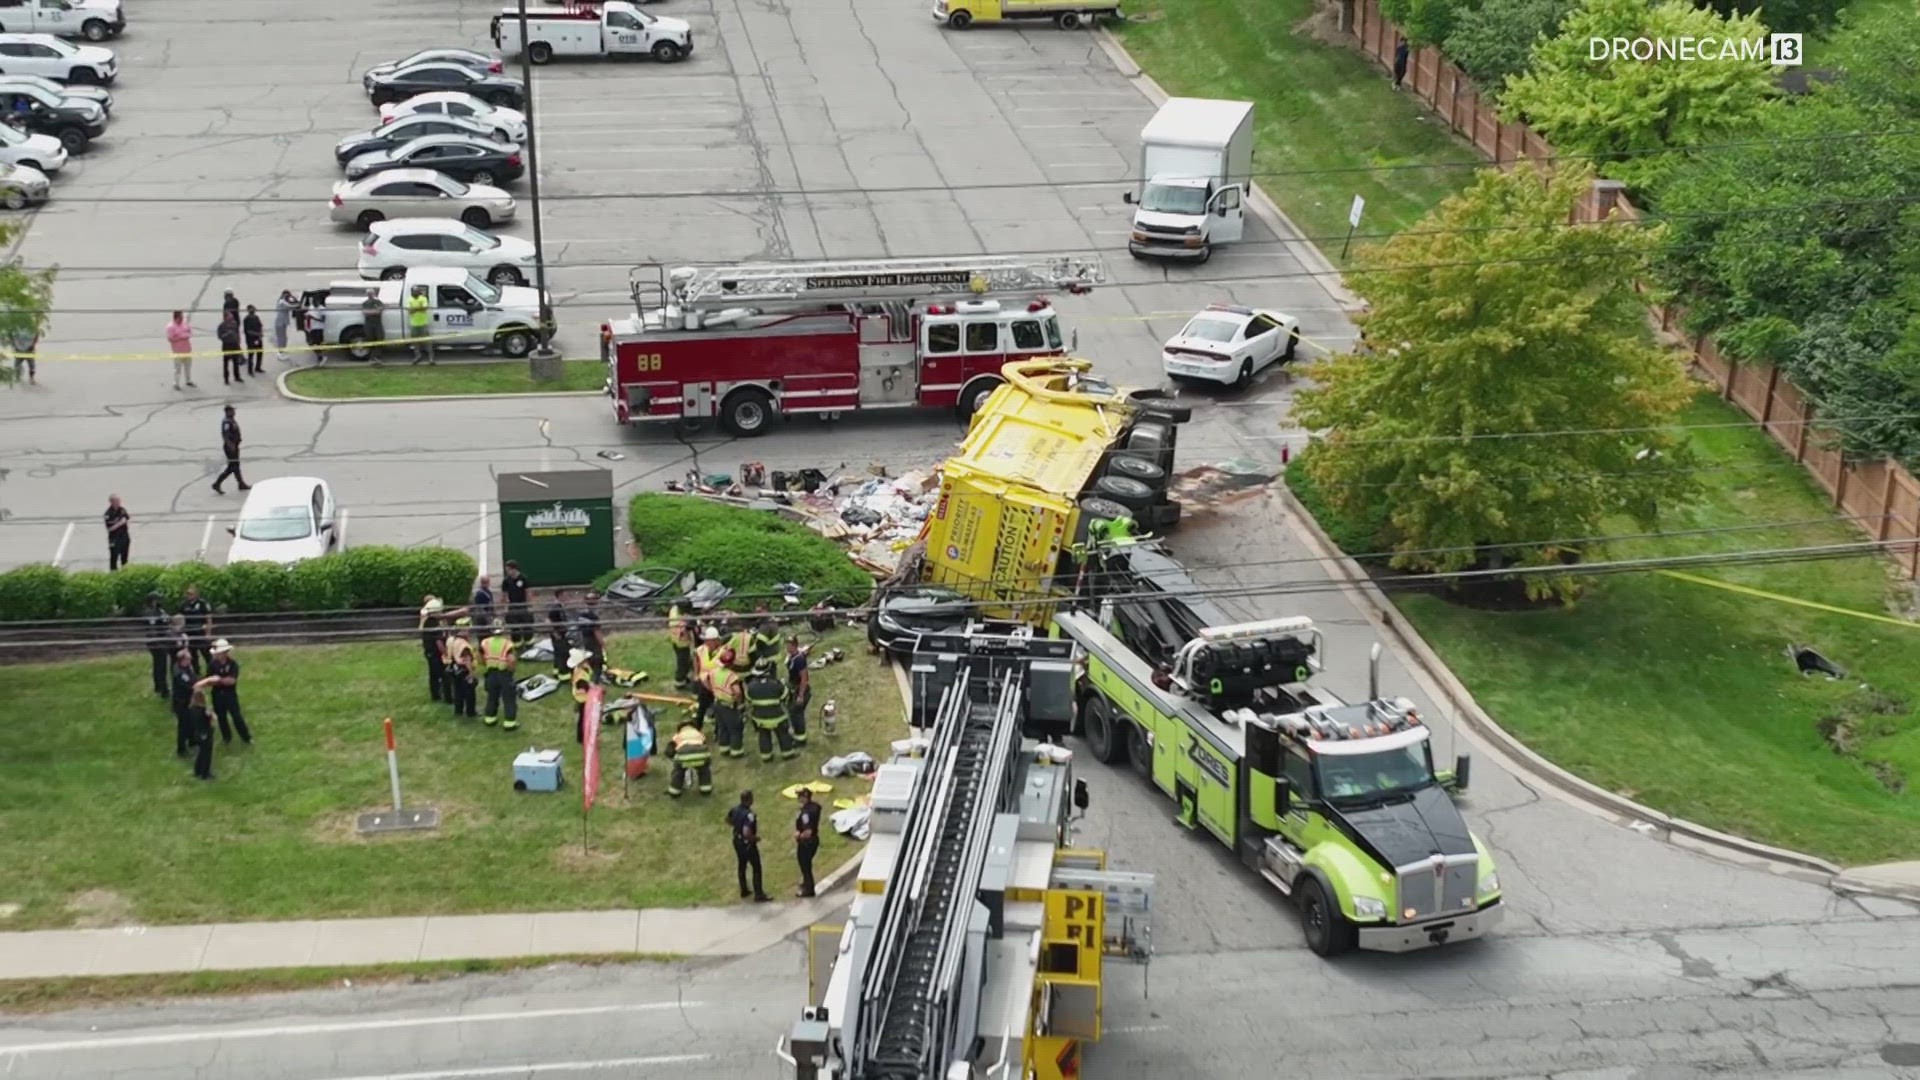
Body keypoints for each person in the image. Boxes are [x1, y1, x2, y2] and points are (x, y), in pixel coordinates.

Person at [745, 658, 797, 763]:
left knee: (764, 736)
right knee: (783, 735)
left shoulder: (750, 686)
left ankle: (766, 757)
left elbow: (749, 700)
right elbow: (785, 697)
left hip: (760, 719)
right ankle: (788, 754)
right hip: (778, 717)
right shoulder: (777, 684)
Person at [727, 790, 771, 902]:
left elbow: (728, 820)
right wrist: (754, 839)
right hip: (747, 844)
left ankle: (744, 890)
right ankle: (759, 894)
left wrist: (737, 826)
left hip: (737, 840)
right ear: (750, 799)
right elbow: (747, 832)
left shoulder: (735, 809)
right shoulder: (749, 814)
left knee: (742, 865)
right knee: (756, 867)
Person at [206, 638, 252, 745]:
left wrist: (218, 680)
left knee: (236, 715)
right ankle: (226, 737)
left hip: (230, 694)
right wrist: (220, 681)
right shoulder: (212, 664)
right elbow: (209, 680)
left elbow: (231, 681)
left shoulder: (233, 664)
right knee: (221, 717)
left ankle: (246, 737)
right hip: (217, 695)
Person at [479, 619, 519, 730]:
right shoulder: (507, 644)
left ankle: (490, 718)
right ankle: (509, 723)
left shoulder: (485, 642)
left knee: (492, 696)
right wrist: (511, 671)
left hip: (491, 673)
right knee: (509, 698)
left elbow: (481, 657)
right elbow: (511, 660)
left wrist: (486, 664)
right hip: (504, 674)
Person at [708, 655, 747, 759]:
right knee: (735, 728)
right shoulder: (731, 676)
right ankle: (736, 752)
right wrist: (739, 704)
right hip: (728, 705)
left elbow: (708, 683)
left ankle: (724, 749)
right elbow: (738, 692)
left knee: (722, 727)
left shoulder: (713, 672)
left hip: (717, 703)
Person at [666, 719, 713, 798]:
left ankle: (674, 792)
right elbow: (705, 745)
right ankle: (706, 790)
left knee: (678, 772)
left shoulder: (678, 735)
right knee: (704, 770)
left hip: (683, 757)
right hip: (702, 756)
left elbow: (668, 751)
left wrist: (674, 758)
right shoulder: (699, 734)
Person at [212, 405, 249, 494]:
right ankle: (217, 483)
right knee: (232, 467)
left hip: (234, 446)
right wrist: (231, 446)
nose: (234, 412)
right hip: (230, 447)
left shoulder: (231, 420)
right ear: (228, 412)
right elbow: (226, 435)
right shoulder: (227, 422)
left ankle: (241, 484)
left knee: (236, 465)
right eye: (232, 411)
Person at [185, 677, 217, 781]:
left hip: (197, 733)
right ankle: (205, 774)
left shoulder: (192, 708)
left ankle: (197, 770)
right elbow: (212, 719)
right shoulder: (203, 710)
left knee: (201, 752)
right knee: (206, 754)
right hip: (205, 733)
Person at [445, 617, 478, 718]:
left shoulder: (452, 640)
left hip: (455, 669)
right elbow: (467, 660)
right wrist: (471, 674)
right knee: (469, 693)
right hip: (464, 670)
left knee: (458, 691)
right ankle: (470, 712)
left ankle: (458, 710)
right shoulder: (464, 645)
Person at [418, 596, 449, 702]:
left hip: (429, 651)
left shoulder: (427, 622)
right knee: (442, 674)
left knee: (433, 675)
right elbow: (439, 641)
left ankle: (435, 695)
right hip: (435, 653)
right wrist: (446, 653)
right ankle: (443, 694)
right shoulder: (435, 624)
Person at [691, 626, 724, 726]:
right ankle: (697, 727)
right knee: (702, 707)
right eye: (707, 641)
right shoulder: (701, 650)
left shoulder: (723, 651)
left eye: (710, 641)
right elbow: (696, 661)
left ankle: (718, 730)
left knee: (719, 708)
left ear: (716, 640)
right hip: (704, 683)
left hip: (718, 683)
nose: (708, 643)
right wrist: (696, 674)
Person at [793, 787, 822, 897]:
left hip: (807, 842)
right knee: (806, 864)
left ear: (805, 797)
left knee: (805, 865)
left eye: (800, 796)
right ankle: (807, 883)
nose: (798, 798)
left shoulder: (806, 812)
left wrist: (799, 836)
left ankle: (809, 889)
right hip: (813, 840)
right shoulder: (814, 807)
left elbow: (808, 831)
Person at [141, 591, 170, 697]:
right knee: (160, 665)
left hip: (161, 639)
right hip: (155, 641)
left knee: (159, 664)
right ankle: (163, 689)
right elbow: (151, 627)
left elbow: (167, 620)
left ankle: (159, 686)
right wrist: (157, 641)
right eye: (157, 600)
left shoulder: (159, 611)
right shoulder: (148, 612)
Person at [170, 648, 198, 756]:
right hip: (180, 702)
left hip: (188, 700)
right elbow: (189, 684)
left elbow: (194, 678)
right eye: (188, 659)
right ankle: (181, 748)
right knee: (183, 725)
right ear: (182, 660)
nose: (190, 661)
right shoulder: (179, 672)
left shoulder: (187, 668)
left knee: (191, 721)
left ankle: (192, 741)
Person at [784, 634, 812, 746]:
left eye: (788, 645)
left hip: (800, 690)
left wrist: (801, 695)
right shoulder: (793, 655)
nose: (786, 648)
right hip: (793, 687)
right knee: (792, 712)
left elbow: (804, 678)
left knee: (796, 713)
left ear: (794, 645)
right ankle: (797, 734)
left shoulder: (799, 660)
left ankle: (801, 739)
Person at [179, 584, 213, 671]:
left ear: (196, 594)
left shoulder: (203, 604)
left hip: (201, 632)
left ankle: (211, 671)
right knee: (193, 655)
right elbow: (180, 618)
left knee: (207, 654)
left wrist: (208, 633)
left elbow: (208, 618)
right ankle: (196, 672)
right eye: (188, 593)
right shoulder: (184, 604)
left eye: (191, 593)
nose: (189, 595)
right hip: (189, 633)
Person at [575, 592, 606, 682]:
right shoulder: (593, 616)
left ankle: (590, 675)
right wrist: (602, 644)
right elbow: (596, 631)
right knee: (597, 658)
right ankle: (595, 679)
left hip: (584, 638)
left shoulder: (581, 614)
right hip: (592, 639)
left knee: (589, 657)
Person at [568, 646, 596, 743]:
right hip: (583, 700)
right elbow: (583, 688)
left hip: (584, 699)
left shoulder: (582, 668)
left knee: (584, 718)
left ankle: (583, 736)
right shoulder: (580, 676)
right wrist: (591, 688)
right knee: (583, 719)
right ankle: (582, 738)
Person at [501, 561, 532, 646]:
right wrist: (505, 607)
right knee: (514, 625)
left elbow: (528, 592)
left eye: (509, 570)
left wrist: (529, 604)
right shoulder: (506, 581)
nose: (507, 572)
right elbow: (504, 595)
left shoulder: (523, 578)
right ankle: (516, 643)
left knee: (526, 623)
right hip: (512, 606)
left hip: (523, 605)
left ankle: (528, 641)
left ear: (514, 569)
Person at [546, 589, 574, 678]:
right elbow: (548, 621)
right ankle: (564, 675)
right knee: (563, 654)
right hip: (558, 635)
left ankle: (556, 671)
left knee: (558, 654)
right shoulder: (556, 608)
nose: (567, 598)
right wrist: (555, 634)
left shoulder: (559, 607)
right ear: (560, 596)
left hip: (559, 634)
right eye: (565, 596)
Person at [167, 311, 196, 390]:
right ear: (176, 317)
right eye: (181, 317)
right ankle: (176, 383)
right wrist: (180, 337)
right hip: (177, 351)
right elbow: (170, 339)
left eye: (182, 317)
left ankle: (188, 380)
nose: (182, 318)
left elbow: (190, 332)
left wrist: (187, 335)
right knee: (177, 368)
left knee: (188, 367)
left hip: (187, 349)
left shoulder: (185, 324)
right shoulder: (170, 327)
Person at [405, 284, 433, 364]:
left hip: (423, 323)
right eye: (414, 291)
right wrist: (419, 308)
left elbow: (425, 308)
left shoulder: (423, 298)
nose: (416, 292)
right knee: (415, 342)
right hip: (414, 324)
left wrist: (414, 308)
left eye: (417, 291)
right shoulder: (409, 299)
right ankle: (418, 356)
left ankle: (431, 358)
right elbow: (409, 310)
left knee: (427, 342)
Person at [667, 604, 693, 688]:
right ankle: (679, 682)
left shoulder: (674, 608)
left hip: (675, 640)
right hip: (681, 643)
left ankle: (684, 677)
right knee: (683, 662)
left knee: (684, 660)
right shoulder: (679, 622)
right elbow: (685, 629)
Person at [103, 494, 131, 571]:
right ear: (111, 502)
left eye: (119, 501)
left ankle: (125, 572)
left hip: (124, 537)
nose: (118, 502)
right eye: (116, 501)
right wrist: (120, 523)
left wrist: (124, 521)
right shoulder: (108, 514)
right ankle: (113, 573)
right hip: (114, 539)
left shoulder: (122, 510)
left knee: (124, 557)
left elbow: (127, 518)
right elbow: (109, 529)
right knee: (114, 557)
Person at [217, 311, 244, 385]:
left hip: (235, 345)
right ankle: (226, 379)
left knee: (236, 362)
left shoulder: (234, 323)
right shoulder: (221, 326)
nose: (231, 317)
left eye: (231, 316)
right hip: (227, 345)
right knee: (226, 363)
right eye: (229, 316)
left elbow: (237, 332)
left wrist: (238, 340)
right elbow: (220, 336)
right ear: (225, 317)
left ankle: (237, 376)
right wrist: (227, 334)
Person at [360, 288, 385, 365]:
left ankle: (377, 357)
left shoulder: (378, 302)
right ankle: (372, 358)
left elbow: (379, 311)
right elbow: (365, 312)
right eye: (368, 293)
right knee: (370, 341)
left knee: (380, 339)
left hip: (377, 324)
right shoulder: (364, 303)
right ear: (367, 294)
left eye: (371, 293)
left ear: (374, 294)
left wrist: (371, 312)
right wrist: (375, 311)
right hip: (368, 324)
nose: (370, 294)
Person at [273, 289, 296, 362]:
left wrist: (292, 296)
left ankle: (282, 351)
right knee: (281, 338)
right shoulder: (282, 302)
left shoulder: (282, 301)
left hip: (282, 322)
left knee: (284, 338)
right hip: (280, 322)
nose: (288, 297)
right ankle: (280, 353)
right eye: (287, 295)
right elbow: (292, 306)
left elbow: (293, 303)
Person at [242, 304, 265, 375]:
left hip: (258, 339)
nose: (253, 310)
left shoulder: (256, 317)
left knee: (260, 353)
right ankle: (250, 370)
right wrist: (258, 334)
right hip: (251, 340)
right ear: (248, 310)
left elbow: (260, 326)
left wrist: (260, 334)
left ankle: (258, 367)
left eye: (254, 309)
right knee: (251, 355)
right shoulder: (246, 319)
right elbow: (248, 331)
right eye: (251, 309)